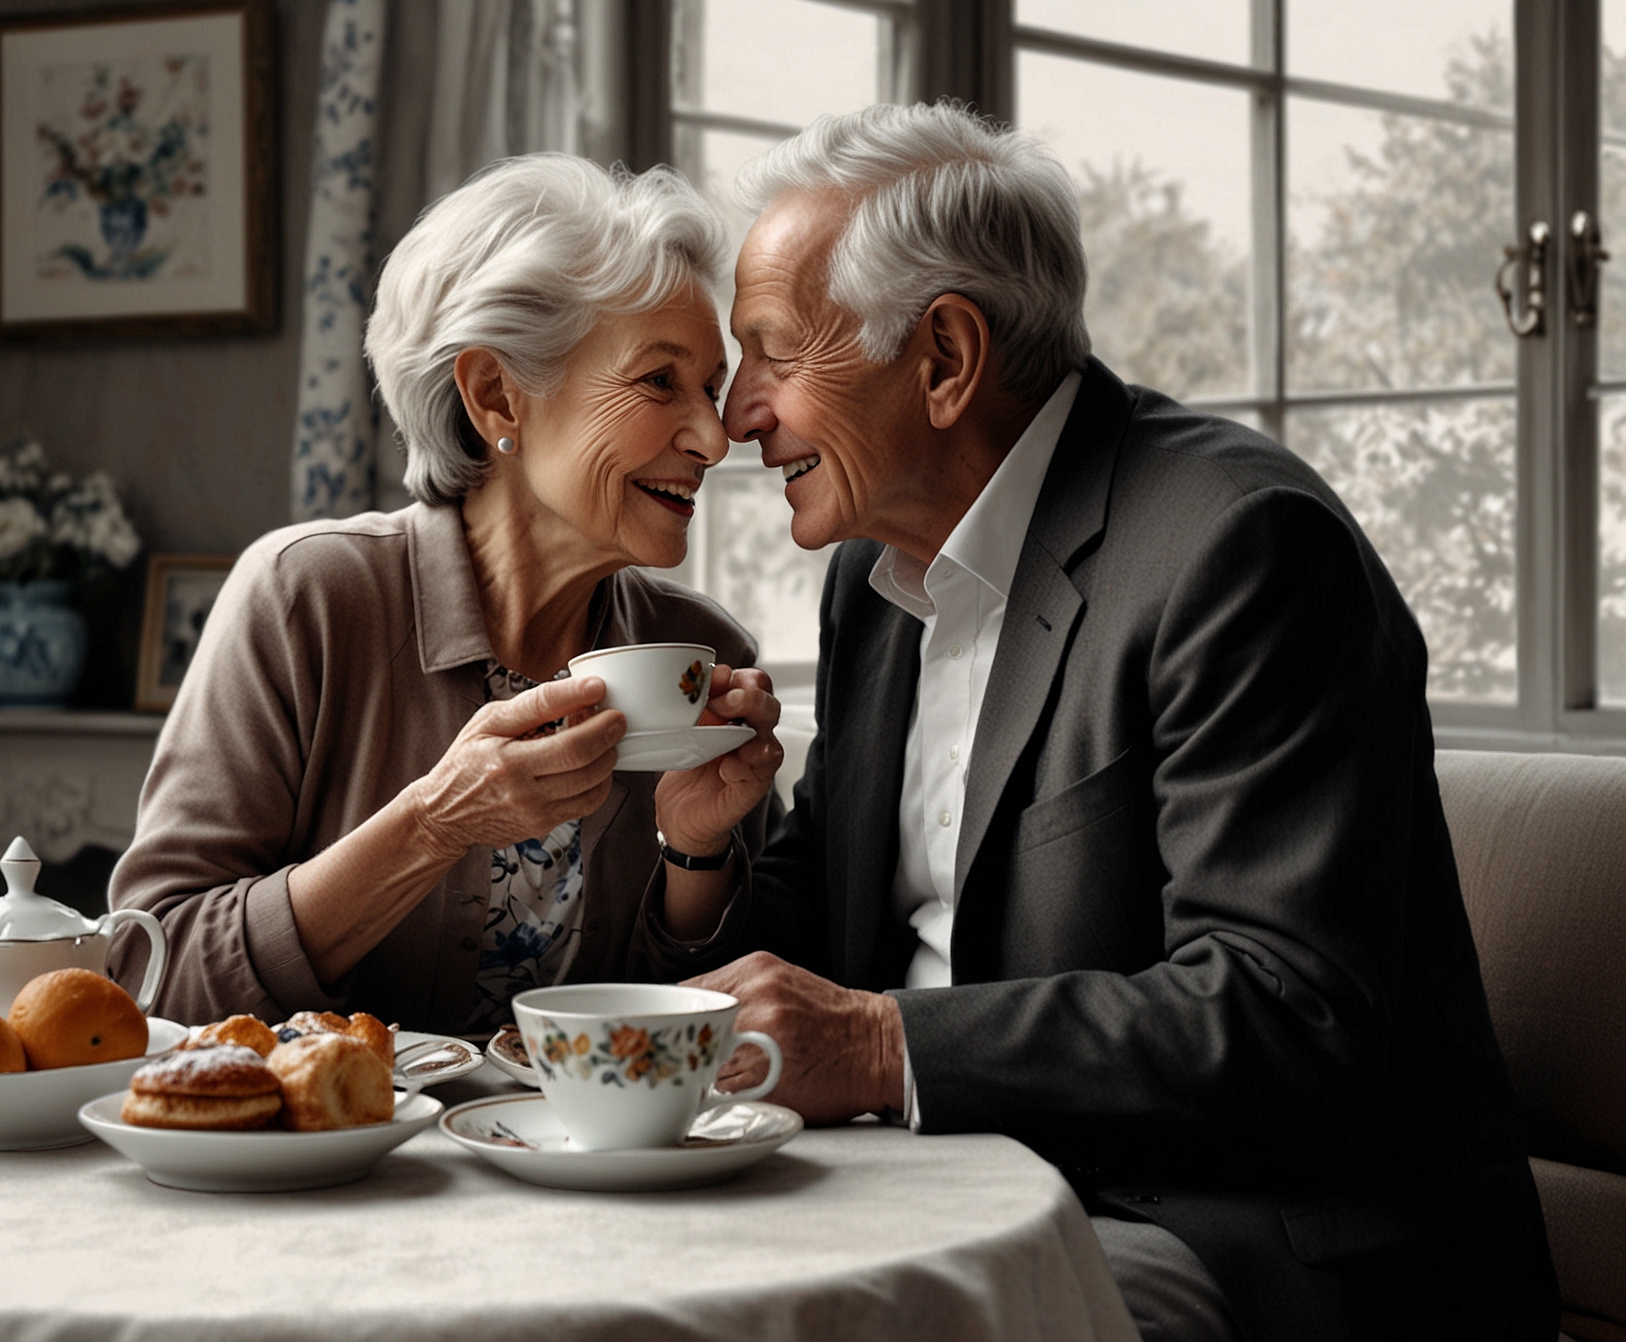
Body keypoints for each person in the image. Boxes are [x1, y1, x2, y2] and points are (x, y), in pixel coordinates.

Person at [652, 103, 1558, 1342]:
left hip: (1220, 1228)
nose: (736, 414)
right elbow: (814, 926)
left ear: (945, 359)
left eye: (768, 353)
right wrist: (702, 852)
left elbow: (1282, 1014)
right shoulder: (874, 582)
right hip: (927, 1184)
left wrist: (876, 1047)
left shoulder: (1239, 547)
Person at [108, 154, 784, 1035]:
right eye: (660, 381)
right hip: (345, 1164)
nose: (712, 438)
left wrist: (696, 852)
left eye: (711, 390)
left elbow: (736, 1016)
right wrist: (432, 825)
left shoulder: (701, 653)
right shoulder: (307, 598)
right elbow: (147, 971)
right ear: (498, 395)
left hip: (587, 1166)